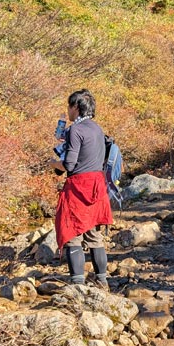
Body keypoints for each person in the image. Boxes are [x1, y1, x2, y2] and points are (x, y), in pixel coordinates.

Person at [51, 89, 113, 289]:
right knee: (94, 235)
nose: (68, 111)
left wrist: (53, 163)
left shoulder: (75, 130)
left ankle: (77, 283)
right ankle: (102, 279)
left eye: (69, 107)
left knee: (72, 233)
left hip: (79, 186)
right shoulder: (97, 129)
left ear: (76, 107)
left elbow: (69, 164)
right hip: (97, 185)